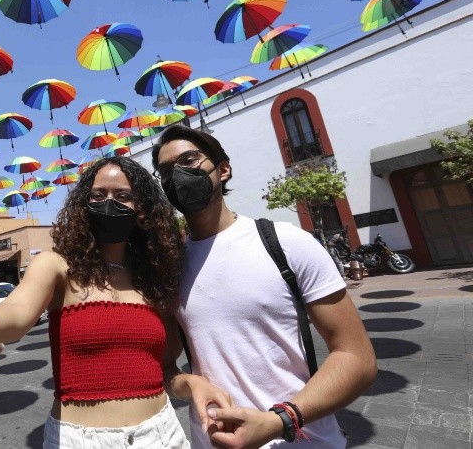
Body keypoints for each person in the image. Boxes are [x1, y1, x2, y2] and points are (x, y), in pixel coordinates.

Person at [0, 156, 232, 448]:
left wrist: (193, 383)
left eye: (123, 196)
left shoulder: (154, 279)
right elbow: (15, 316)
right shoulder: (56, 265)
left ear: (142, 210)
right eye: (98, 195)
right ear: (84, 205)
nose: (108, 203)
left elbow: (165, 370)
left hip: (161, 435)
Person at [150, 125, 377, 448]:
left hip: (301, 440)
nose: (178, 175)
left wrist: (278, 420)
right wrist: (190, 384)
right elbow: (165, 370)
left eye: (189, 160)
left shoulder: (286, 242)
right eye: (166, 171)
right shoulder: (170, 267)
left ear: (223, 169)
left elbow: (356, 357)